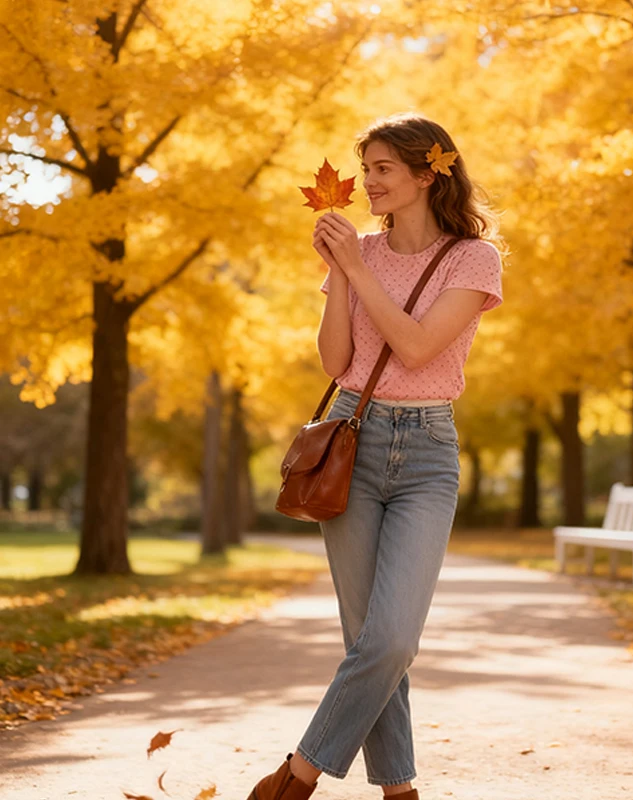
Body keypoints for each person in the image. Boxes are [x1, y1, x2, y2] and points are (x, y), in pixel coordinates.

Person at [246, 113, 504, 800]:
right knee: (368, 639)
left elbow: (419, 348)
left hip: (426, 452)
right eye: (366, 169)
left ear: (428, 173)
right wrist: (342, 271)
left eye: (384, 168)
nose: (369, 182)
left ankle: (297, 774)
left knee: (391, 639)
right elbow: (336, 360)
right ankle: (399, 789)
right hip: (350, 440)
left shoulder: (473, 259)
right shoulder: (358, 250)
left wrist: (357, 270)